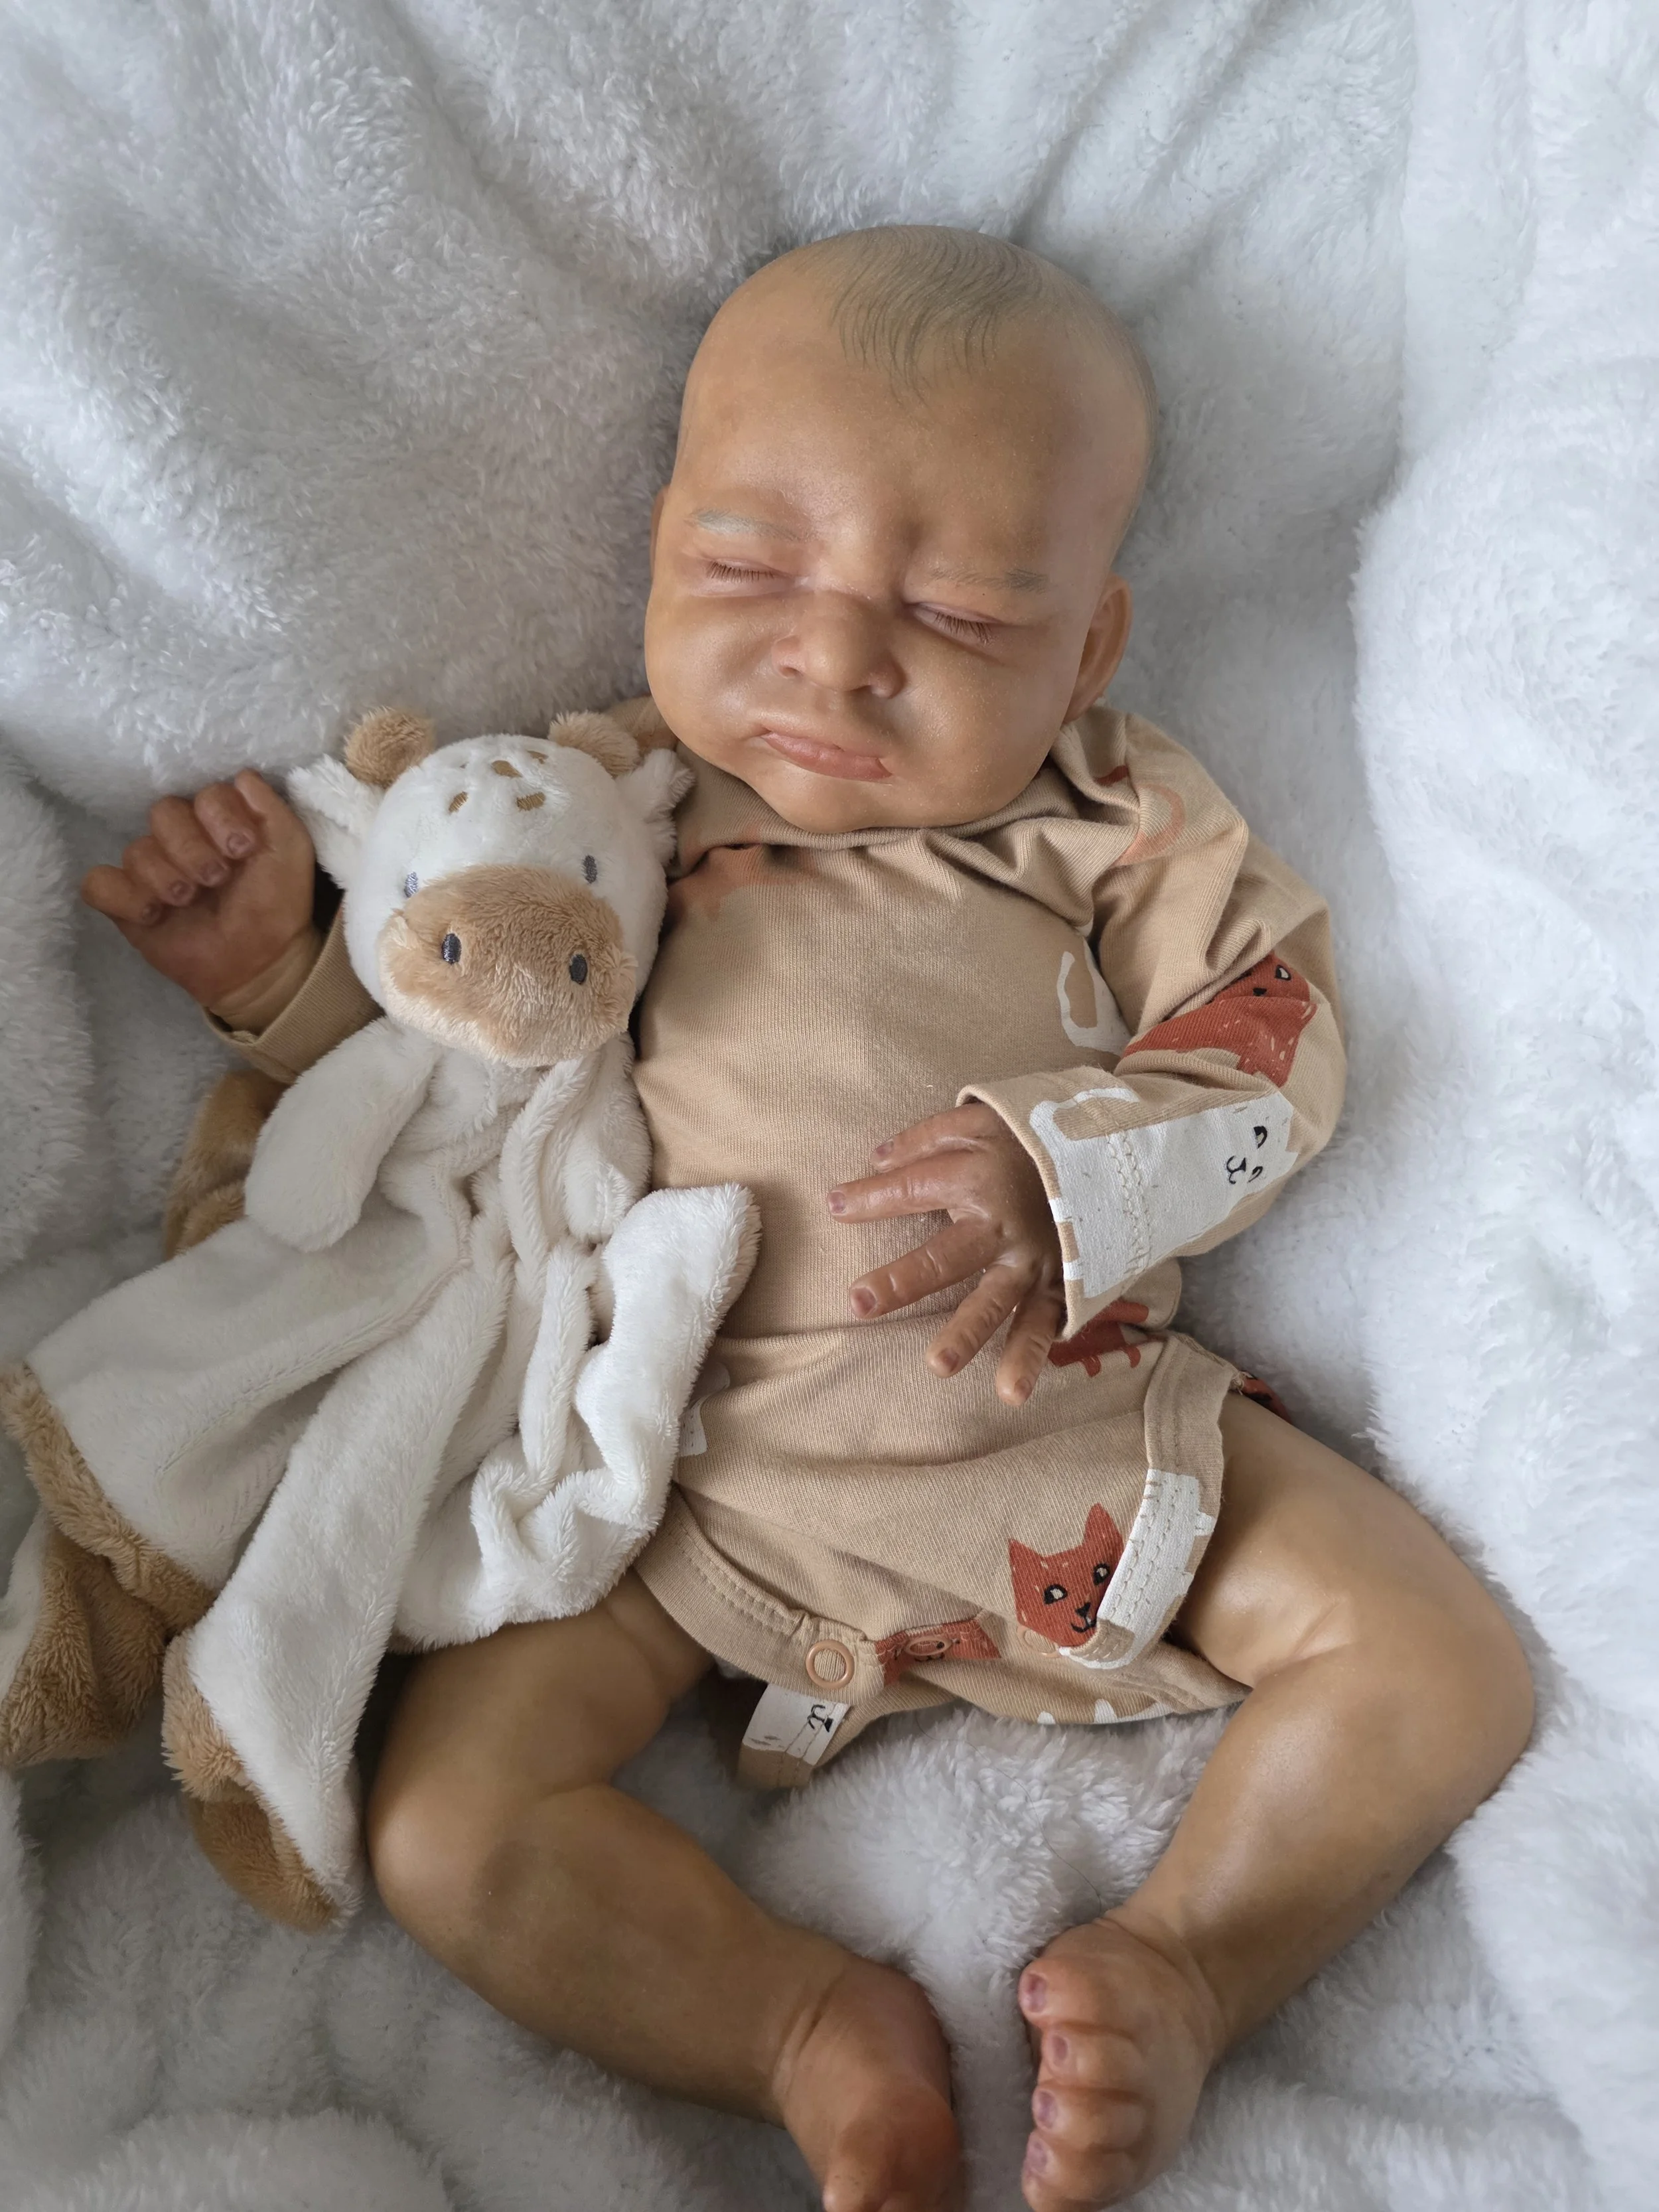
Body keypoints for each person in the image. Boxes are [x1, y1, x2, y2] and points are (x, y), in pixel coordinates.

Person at [82, 227, 1532, 2212]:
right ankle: (793, 2031)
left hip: (1067, 1436)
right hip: (676, 1485)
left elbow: (1275, 1049)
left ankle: (1192, 1962)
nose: (838, 656)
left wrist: (1067, 1167)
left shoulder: (1108, 815)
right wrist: (275, 976)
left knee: (1442, 1665)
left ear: (1086, 648)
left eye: (957, 609)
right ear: (657, 546)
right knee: (446, 1825)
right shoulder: (608, 813)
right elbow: (453, 1079)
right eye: (752, 569)